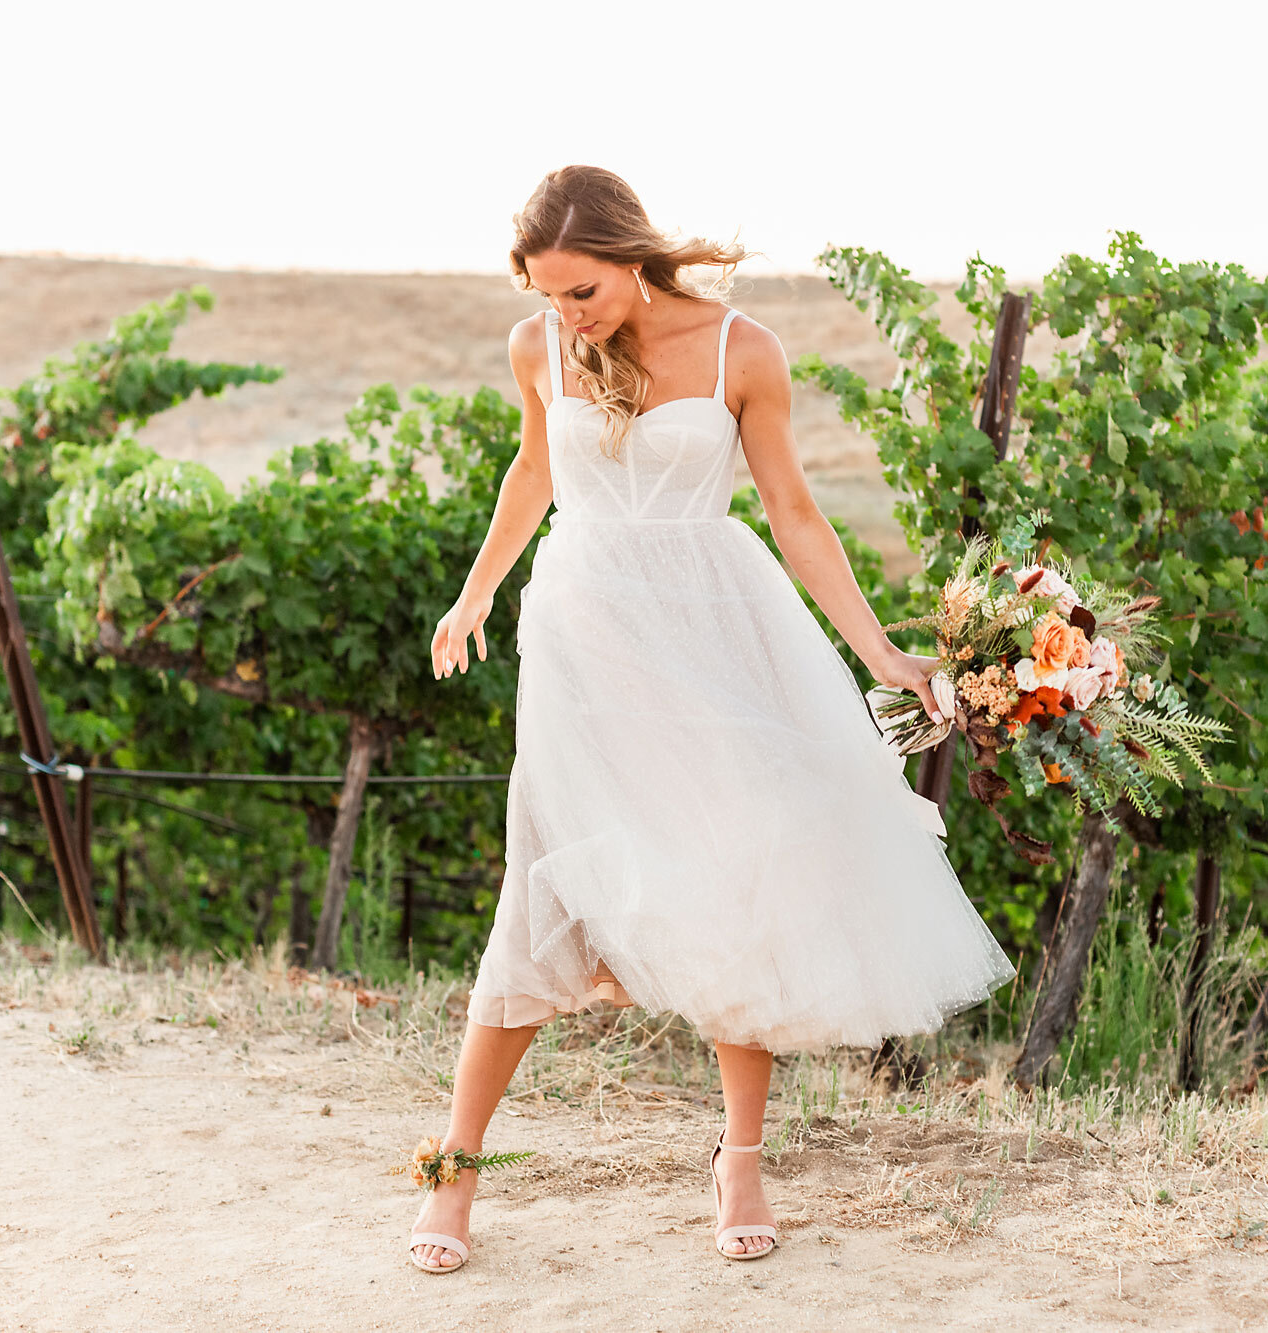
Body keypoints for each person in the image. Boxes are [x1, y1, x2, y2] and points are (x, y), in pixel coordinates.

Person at [419, 165, 1015, 1270]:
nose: (566, 314)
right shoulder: (536, 348)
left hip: (714, 629)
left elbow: (793, 512)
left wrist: (878, 648)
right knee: (543, 882)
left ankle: (738, 1155)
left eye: (582, 291)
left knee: (750, 867)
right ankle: (452, 1170)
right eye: (549, 295)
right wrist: (476, 590)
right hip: (585, 641)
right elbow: (530, 473)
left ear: (630, 259)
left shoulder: (745, 349)